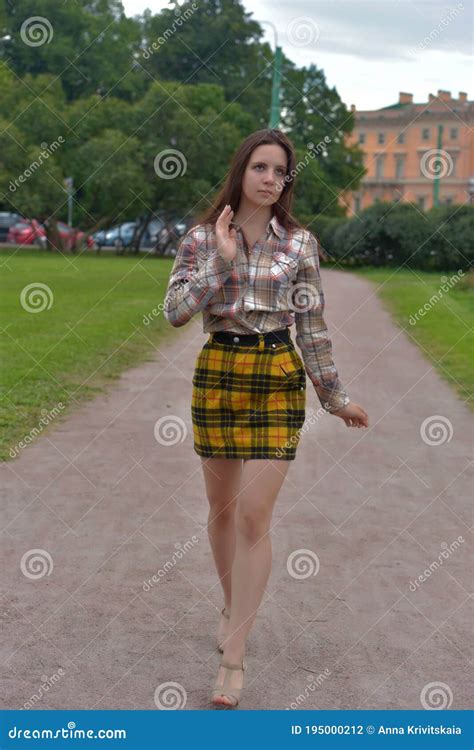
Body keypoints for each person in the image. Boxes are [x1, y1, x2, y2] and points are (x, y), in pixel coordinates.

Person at [163, 128, 369, 708]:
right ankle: (232, 608)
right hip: (220, 373)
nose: (270, 178)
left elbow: (313, 326)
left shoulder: (300, 245)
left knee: (255, 514)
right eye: (260, 166)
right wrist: (219, 265)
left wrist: (333, 396)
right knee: (222, 510)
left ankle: (234, 655)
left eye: (280, 171)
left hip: (277, 376)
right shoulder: (203, 238)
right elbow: (176, 311)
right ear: (242, 171)